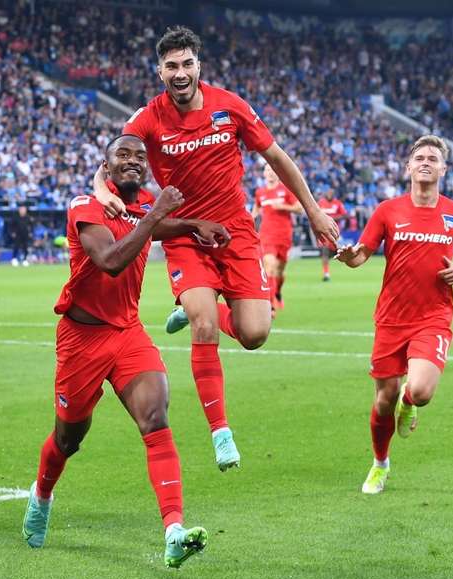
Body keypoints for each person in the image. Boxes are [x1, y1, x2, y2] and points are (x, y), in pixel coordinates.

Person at [93, 26, 339, 470]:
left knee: (255, 334)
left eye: (187, 63)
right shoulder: (148, 118)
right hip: (187, 235)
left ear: (198, 66)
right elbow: (109, 159)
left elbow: (278, 158)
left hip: (237, 235)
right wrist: (102, 190)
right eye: (171, 66)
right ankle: (221, 432)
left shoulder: (230, 106)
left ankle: (193, 309)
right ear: (160, 71)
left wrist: (315, 210)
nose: (180, 72)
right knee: (205, 325)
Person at [23, 135, 230, 567]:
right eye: (123, 155)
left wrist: (192, 225)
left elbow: (153, 226)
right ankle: (42, 494)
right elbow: (111, 260)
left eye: (140, 156)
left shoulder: (141, 206)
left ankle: (174, 530)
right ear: (106, 164)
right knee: (69, 438)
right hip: (82, 339)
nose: (133, 161)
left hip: (127, 333)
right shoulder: (85, 206)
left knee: (155, 418)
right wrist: (157, 215)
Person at [335, 135, 453, 494]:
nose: (426, 162)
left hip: (434, 315)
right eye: (420, 158)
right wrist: (348, 256)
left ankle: (410, 402)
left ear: (443, 169)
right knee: (383, 400)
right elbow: (361, 255)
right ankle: (380, 464)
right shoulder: (388, 210)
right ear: (408, 168)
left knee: (421, 389)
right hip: (391, 318)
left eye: (433, 158)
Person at [251, 164, 302, 314]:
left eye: (273, 170)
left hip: (284, 235)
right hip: (266, 234)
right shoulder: (260, 193)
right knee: (270, 268)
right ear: (264, 174)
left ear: (278, 173)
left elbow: (299, 208)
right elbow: (255, 212)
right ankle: (270, 305)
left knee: (279, 271)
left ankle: (277, 291)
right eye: (267, 171)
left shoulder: (285, 190)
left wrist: (283, 206)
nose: (270, 173)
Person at [316, 189, 350, 282]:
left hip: (335, 232)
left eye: (332, 193)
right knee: (324, 252)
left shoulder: (338, 203)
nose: (330, 195)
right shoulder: (320, 203)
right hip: (323, 232)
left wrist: (333, 218)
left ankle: (348, 269)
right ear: (326, 194)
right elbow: (315, 214)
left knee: (336, 253)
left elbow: (345, 215)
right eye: (328, 193)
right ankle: (326, 273)